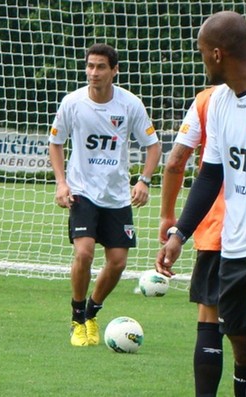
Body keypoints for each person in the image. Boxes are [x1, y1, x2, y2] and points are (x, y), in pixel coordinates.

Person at [156, 11, 246, 397]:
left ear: (215, 54)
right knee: (243, 349)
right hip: (235, 244)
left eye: (200, 53)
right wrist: (180, 233)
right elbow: (211, 175)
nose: (200, 61)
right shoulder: (220, 103)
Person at [49, 43, 161, 347]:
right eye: (90, 66)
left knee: (118, 263)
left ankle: (92, 311)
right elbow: (55, 142)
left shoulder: (129, 105)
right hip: (83, 191)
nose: (93, 73)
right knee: (83, 252)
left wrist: (145, 181)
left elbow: (153, 146)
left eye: (100, 67)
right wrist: (62, 183)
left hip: (117, 195)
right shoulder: (73, 102)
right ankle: (76, 318)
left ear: (114, 71)